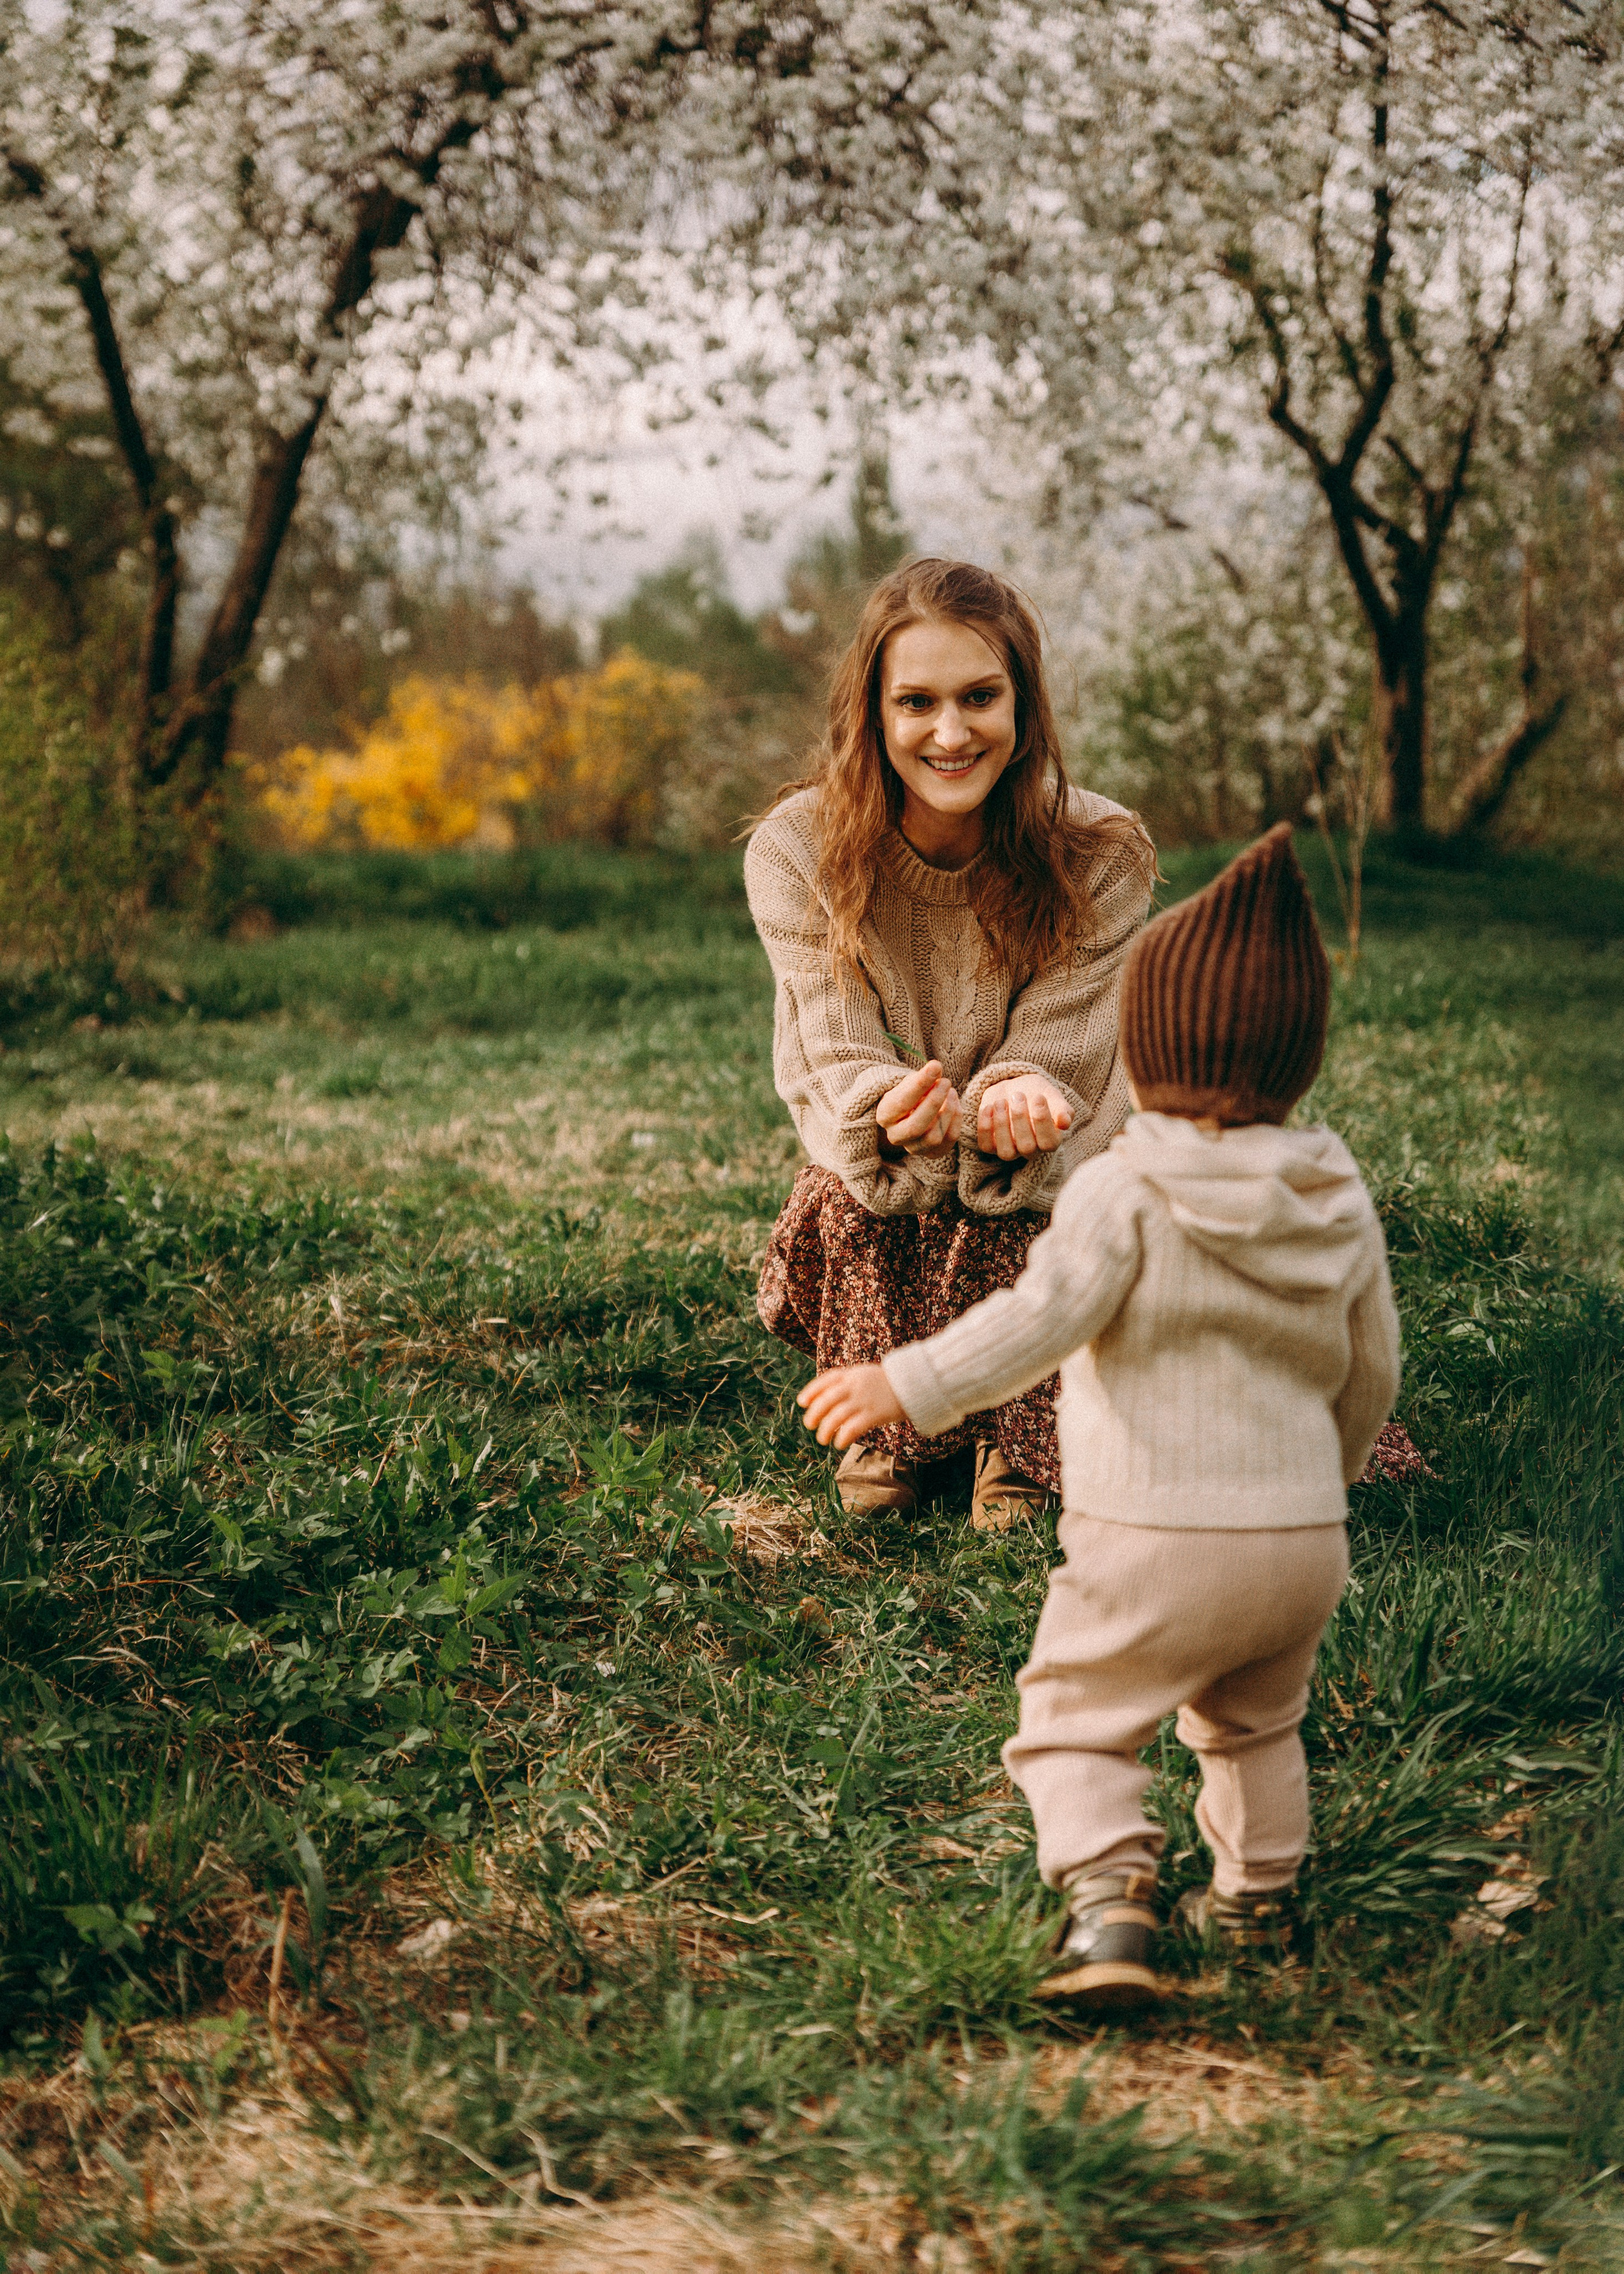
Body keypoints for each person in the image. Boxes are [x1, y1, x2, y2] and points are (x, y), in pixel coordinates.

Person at [797, 824, 1401, 2008]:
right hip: (1300, 1544)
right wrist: (1322, 1480)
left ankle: (1110, 1911)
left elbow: (1034, 1323)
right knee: (1251, 1732)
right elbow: (1370, 1369)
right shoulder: (1332, 1189)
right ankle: (1255, 1909)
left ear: (1148, 1041)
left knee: (1073, 1721)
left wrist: (902, 1383)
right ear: (1297, 1058)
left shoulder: (1129, 1184)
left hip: (1151, 1538)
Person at [745, 558, 1156, 1527]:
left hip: (1051, 1155)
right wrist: (884, 1107)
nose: (950, 732)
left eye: (980, 697)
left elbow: (1072, 1037)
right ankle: (889, 1430)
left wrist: (1023, 1091)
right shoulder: (798, 848)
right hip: (895, 1158)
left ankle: (1020, 1436)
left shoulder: (1104, 851)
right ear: (875, 715)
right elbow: (829, 1040)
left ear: (1024, 705)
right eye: (916, 702)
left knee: (1049, 1206)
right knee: (846, 1194)